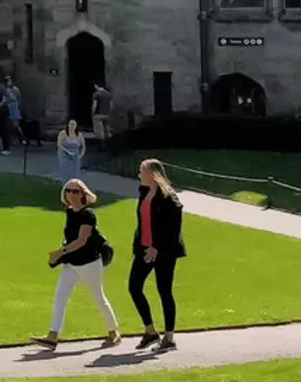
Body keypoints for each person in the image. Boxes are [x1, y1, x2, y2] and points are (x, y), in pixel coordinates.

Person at [32, 179, 121, 350]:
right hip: (72, 264)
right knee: (60, 297)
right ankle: (52, 336)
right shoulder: (70, 212)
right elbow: (71, 238)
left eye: (75, 191)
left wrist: (60, 252)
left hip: (89, 263)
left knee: (98, 298)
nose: (71, 194)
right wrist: (63, 252)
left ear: (83, 194)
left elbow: (81, 240)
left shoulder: (88, 215)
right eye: (68, 191)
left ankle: (113, 331)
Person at [129, 159, 186, 353]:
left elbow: (173, 229)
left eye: (141, 171)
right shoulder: (143, 193)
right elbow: (143, 223)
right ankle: (150, 331)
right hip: (144, 249)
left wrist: (157, 247)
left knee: (164, 291)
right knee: (134, 287)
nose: (139, 175)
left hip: (164, 252)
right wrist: (141, 245)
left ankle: (169, 337)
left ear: (152, 174)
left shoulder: (169, 198)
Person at [55, 120, 87, 185]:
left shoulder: (79, 135)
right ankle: (64, 183)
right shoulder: (63, 133)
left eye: (74, 124)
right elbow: (59, 144)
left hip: (75, 155)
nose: (72, 126)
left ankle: (74, 184)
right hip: (64, 154)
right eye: (71, 124)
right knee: (65, 170)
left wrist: (81, 154)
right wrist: (68, 152)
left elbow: (83, 146)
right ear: (68, 125)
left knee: (74, 171)